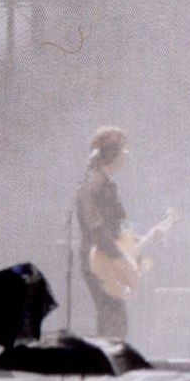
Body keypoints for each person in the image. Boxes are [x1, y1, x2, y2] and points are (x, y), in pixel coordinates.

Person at [75, 125, 135, 341]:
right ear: (113, 153)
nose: (127, 153)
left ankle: (108, 369)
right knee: (113, 319)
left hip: (104, 258)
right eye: (124, 148)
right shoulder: (94, 183)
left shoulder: (103, 183)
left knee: (113, 318)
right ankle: (106, 370)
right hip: (98, 261)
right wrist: (119, 257)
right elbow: (96, 227)